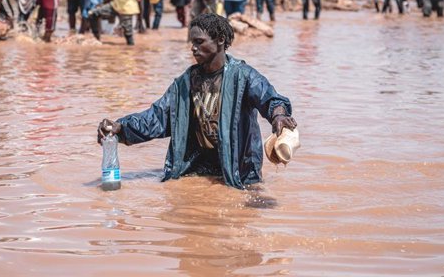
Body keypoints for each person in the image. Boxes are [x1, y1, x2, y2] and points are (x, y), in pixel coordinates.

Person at [96, 13, 298, 189]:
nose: (193, 48)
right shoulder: (185, 83)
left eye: (199, 42)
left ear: (220, 40)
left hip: (239, 169)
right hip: (198, 166)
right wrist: (121, 127)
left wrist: (278, 115)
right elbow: (157, 117)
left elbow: (270, 98)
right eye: (192, 43)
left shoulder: (243, 76)